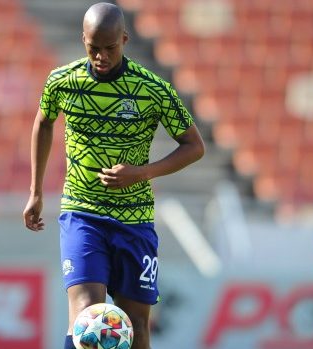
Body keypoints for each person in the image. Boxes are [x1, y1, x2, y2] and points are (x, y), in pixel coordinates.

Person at [23, 3, 205, 348]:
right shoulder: (62, 82)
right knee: (86, 314)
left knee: (135, 323)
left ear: (124, 38)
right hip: (82, 212)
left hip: (133, 218)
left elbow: (194, 146)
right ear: (83, 40)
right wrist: (35, 191)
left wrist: (142, 173)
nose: (101, 56)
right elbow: (43, 122)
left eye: (110, 47)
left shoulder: (153, 89)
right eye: (94, 48)